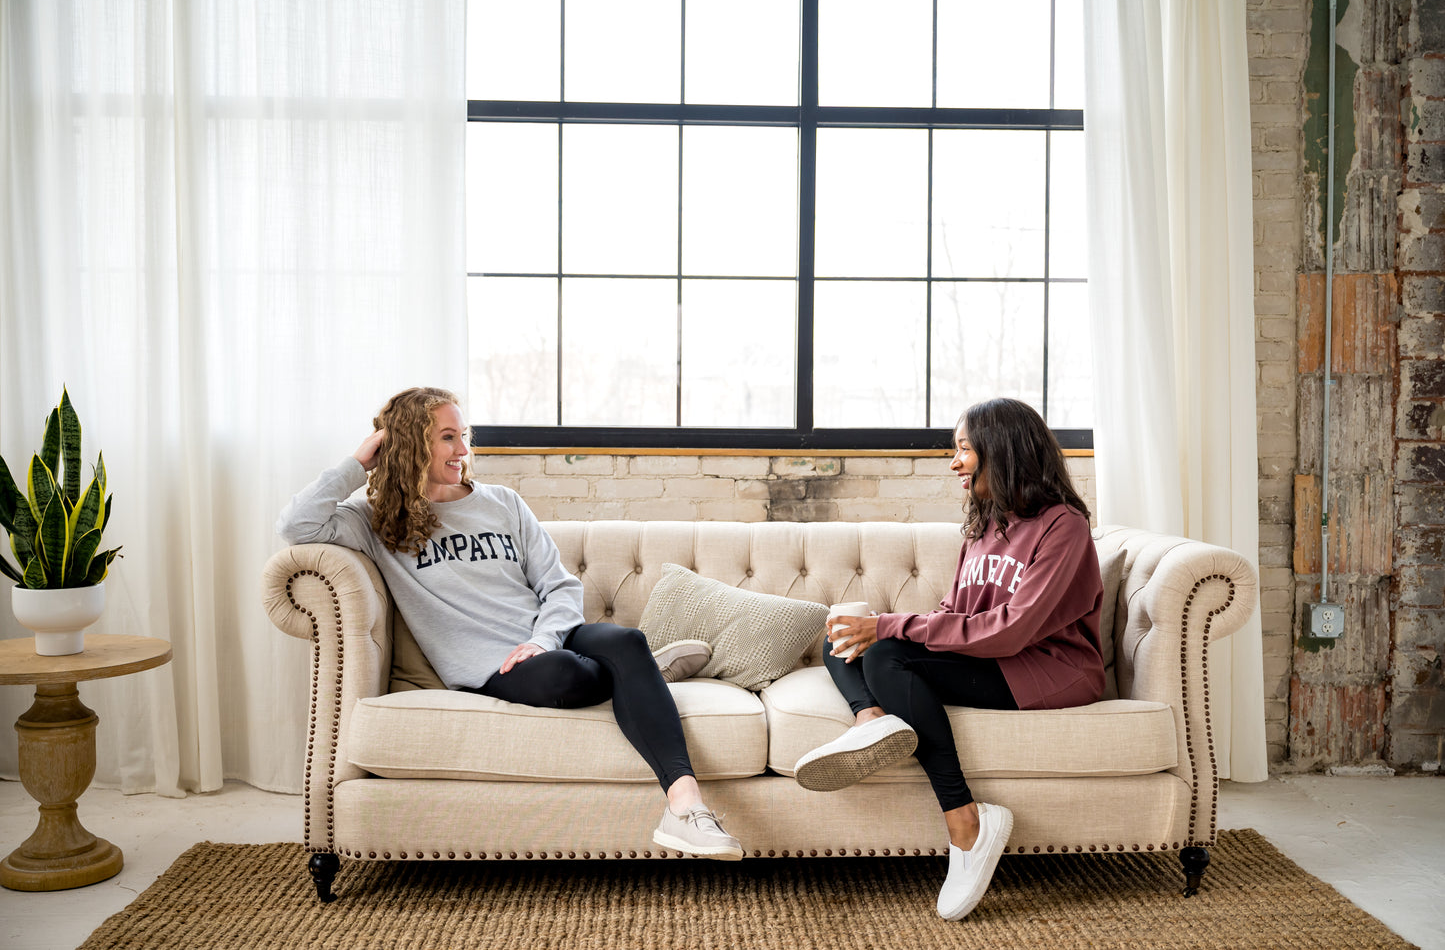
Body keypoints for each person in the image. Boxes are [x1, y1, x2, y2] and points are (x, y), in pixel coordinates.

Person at [277, 387, 743, 860]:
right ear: (410, 445)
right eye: (446, 438)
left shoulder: (502, 503)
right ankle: (642, 675)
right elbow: (297, 525)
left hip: (548, 641)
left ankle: (685, 808)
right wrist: (359, 462)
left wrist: (542, 640)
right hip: (494, 667)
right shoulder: (375, 522)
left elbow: (559, 587)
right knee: (570, 672)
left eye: (463, 436)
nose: (463, 450)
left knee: (626, 639)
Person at [792, 397, 1104, 920]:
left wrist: (892, 628)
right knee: (841, 636)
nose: (954, 462)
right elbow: (955, 612)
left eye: (963, 449)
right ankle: (871, 722)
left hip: (1048, 669)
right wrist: (879, 627)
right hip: (996, 659)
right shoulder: (985, 526)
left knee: (887, 651)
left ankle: (967, 823)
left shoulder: (1062, 526)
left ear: (1000, 451)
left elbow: (1012, 630)